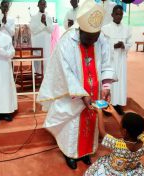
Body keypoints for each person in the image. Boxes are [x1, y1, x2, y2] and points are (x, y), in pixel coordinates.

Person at [37, 0, 116, 170]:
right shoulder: (67, 41)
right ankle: (70, 153)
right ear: (80, 30)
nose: (91, 42)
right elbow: (64, 71)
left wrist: (106, 87)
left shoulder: (100, 39)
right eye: (88, 39)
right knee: (72, 125)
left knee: (91, 121)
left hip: (94, 94)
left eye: (94, 38)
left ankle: (86, 152)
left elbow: (107, 63)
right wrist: (82, 93)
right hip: (74, 94)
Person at [84, 105, 144, 176]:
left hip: (112, 172)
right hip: (131, 170)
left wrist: (99, 112)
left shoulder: (117, 144)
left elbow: (103, 132)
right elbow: (128, 127)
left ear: (124, 131)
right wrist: (113, 112)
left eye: (121, 125)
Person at [102, 5, 132, 115]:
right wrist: (113, 46)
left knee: (120, 83)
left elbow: (130, 43)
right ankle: (107, 105)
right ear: (112, 15)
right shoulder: (105, 29)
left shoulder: (127, 29)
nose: (119, 16)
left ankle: (118, 104)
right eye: (117, 14)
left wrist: (124, 45)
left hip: (121, 60)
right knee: (110, 81)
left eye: (121, 14)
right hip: (111, 60)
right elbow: (103, 44)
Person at [29, 0, 53, 74]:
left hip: (46, 43)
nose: (42, 6)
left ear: (46, 6)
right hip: (37, 43)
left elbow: (51, 30)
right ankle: (36, 76)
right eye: (41, 4)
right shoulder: (34, 17)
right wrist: (43, 25)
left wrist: (45, 23)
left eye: (44, 4)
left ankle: (45, 76)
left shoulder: (49, 17)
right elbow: (33, 30)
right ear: (38, 5)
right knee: (37, 61)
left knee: (46, 60)